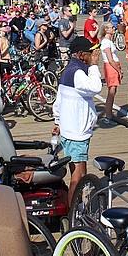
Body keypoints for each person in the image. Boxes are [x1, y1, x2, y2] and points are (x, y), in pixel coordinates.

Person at [51, 36, 102, 205]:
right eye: (90, 53)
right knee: (77, 176)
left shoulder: (69, 70)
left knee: (80, 170)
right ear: (81, 54)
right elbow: (95, 87)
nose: (94, 55)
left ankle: (79, 205)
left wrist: (57, 121)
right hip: (76, 133)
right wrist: (94, 66)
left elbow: (59, 100)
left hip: (69, 129)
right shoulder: (78, 72)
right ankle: (72, 213)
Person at [99, 22, 122, 123]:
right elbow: (110, 59)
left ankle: (110, 113)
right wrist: (118, 70)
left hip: (113, 65)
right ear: (106, 30)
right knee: (111, 91)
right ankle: (108, 115)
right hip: (111, 66)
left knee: (113, 90)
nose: (114, 28)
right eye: (111, 27)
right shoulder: (106, 42)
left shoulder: (109, 41)